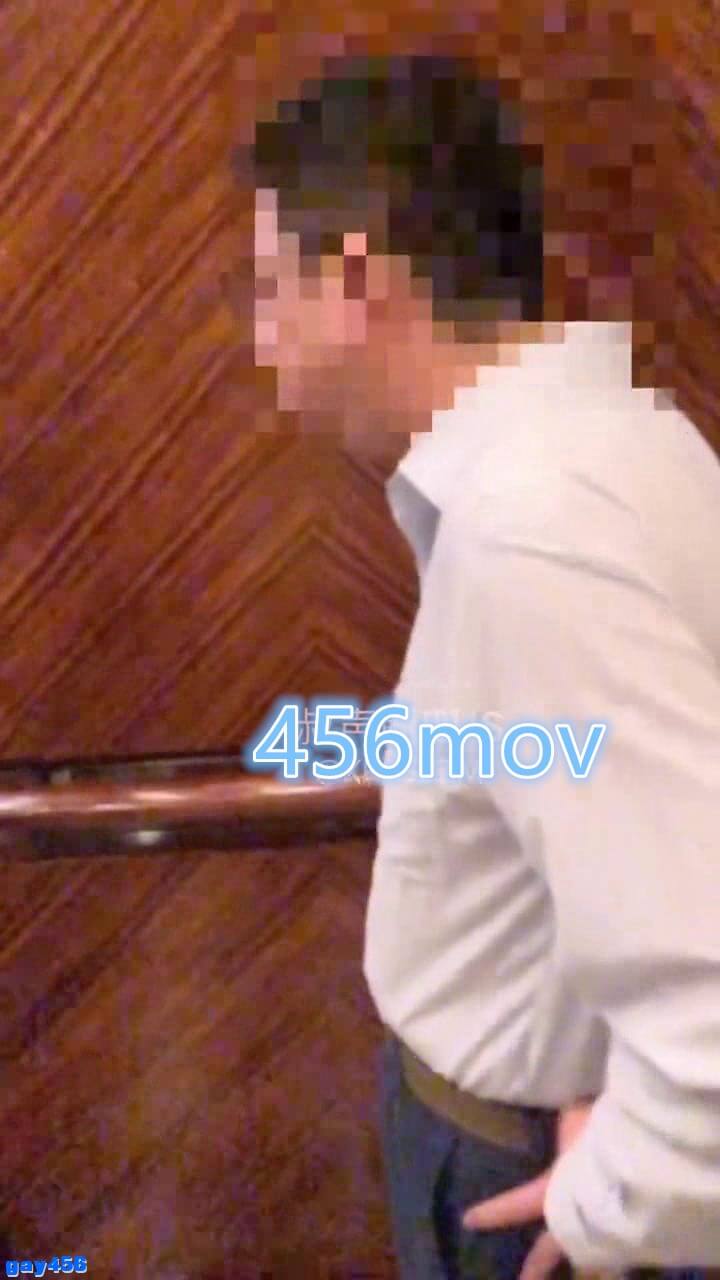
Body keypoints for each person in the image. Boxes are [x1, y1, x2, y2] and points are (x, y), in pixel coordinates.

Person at [242, 51, 720, 1280]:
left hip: (514, 1179)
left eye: (269, 288)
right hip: (538, 1121)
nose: (260, 339)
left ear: (357, 282)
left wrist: (613, 1203)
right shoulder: (623, 449)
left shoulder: (535, 530)